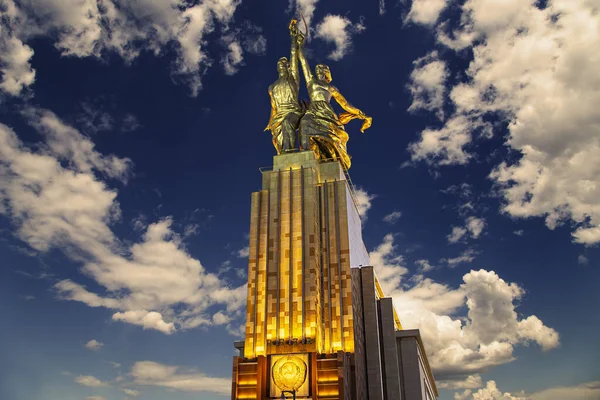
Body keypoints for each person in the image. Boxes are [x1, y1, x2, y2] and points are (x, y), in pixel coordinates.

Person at [296, 33, 371, 170]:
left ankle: (330, 155)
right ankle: (306, 156)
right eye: (317, 69)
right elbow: (303, 62)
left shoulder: (331, 87)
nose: (318, 70)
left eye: (321, 69)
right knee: (304, 122)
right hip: (313, 111)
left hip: (327, 113)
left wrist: (360, 113)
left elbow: (345, 104)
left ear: (326, 73)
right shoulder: (311, 81)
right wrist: (299, 45)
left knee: (331, 137)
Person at [265, 20, 305, 153]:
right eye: (279, 64)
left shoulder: (293, 78)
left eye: (284, 63)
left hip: (293, 111)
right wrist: (270, 121)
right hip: (278, 115)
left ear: (288, 66)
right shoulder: (272, 87)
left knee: (287, 123)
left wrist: (293, 37)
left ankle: (290, 154)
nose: (282, 64)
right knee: (280, 142)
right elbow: (273, 107)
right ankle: (284, 156)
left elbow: (294, 55)